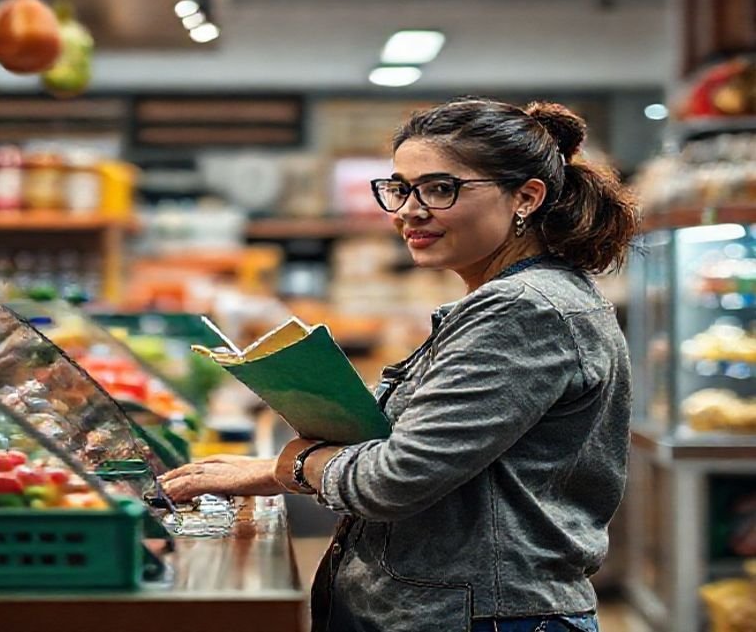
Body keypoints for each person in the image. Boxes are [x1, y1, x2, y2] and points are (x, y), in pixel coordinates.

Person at [161, 97, 639, 632]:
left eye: (440, 188)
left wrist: (291, 467)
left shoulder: (524, 308)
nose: (409, 210)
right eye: (400, 188)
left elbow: (397, 477)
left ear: (525, 197)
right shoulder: (515, 300)